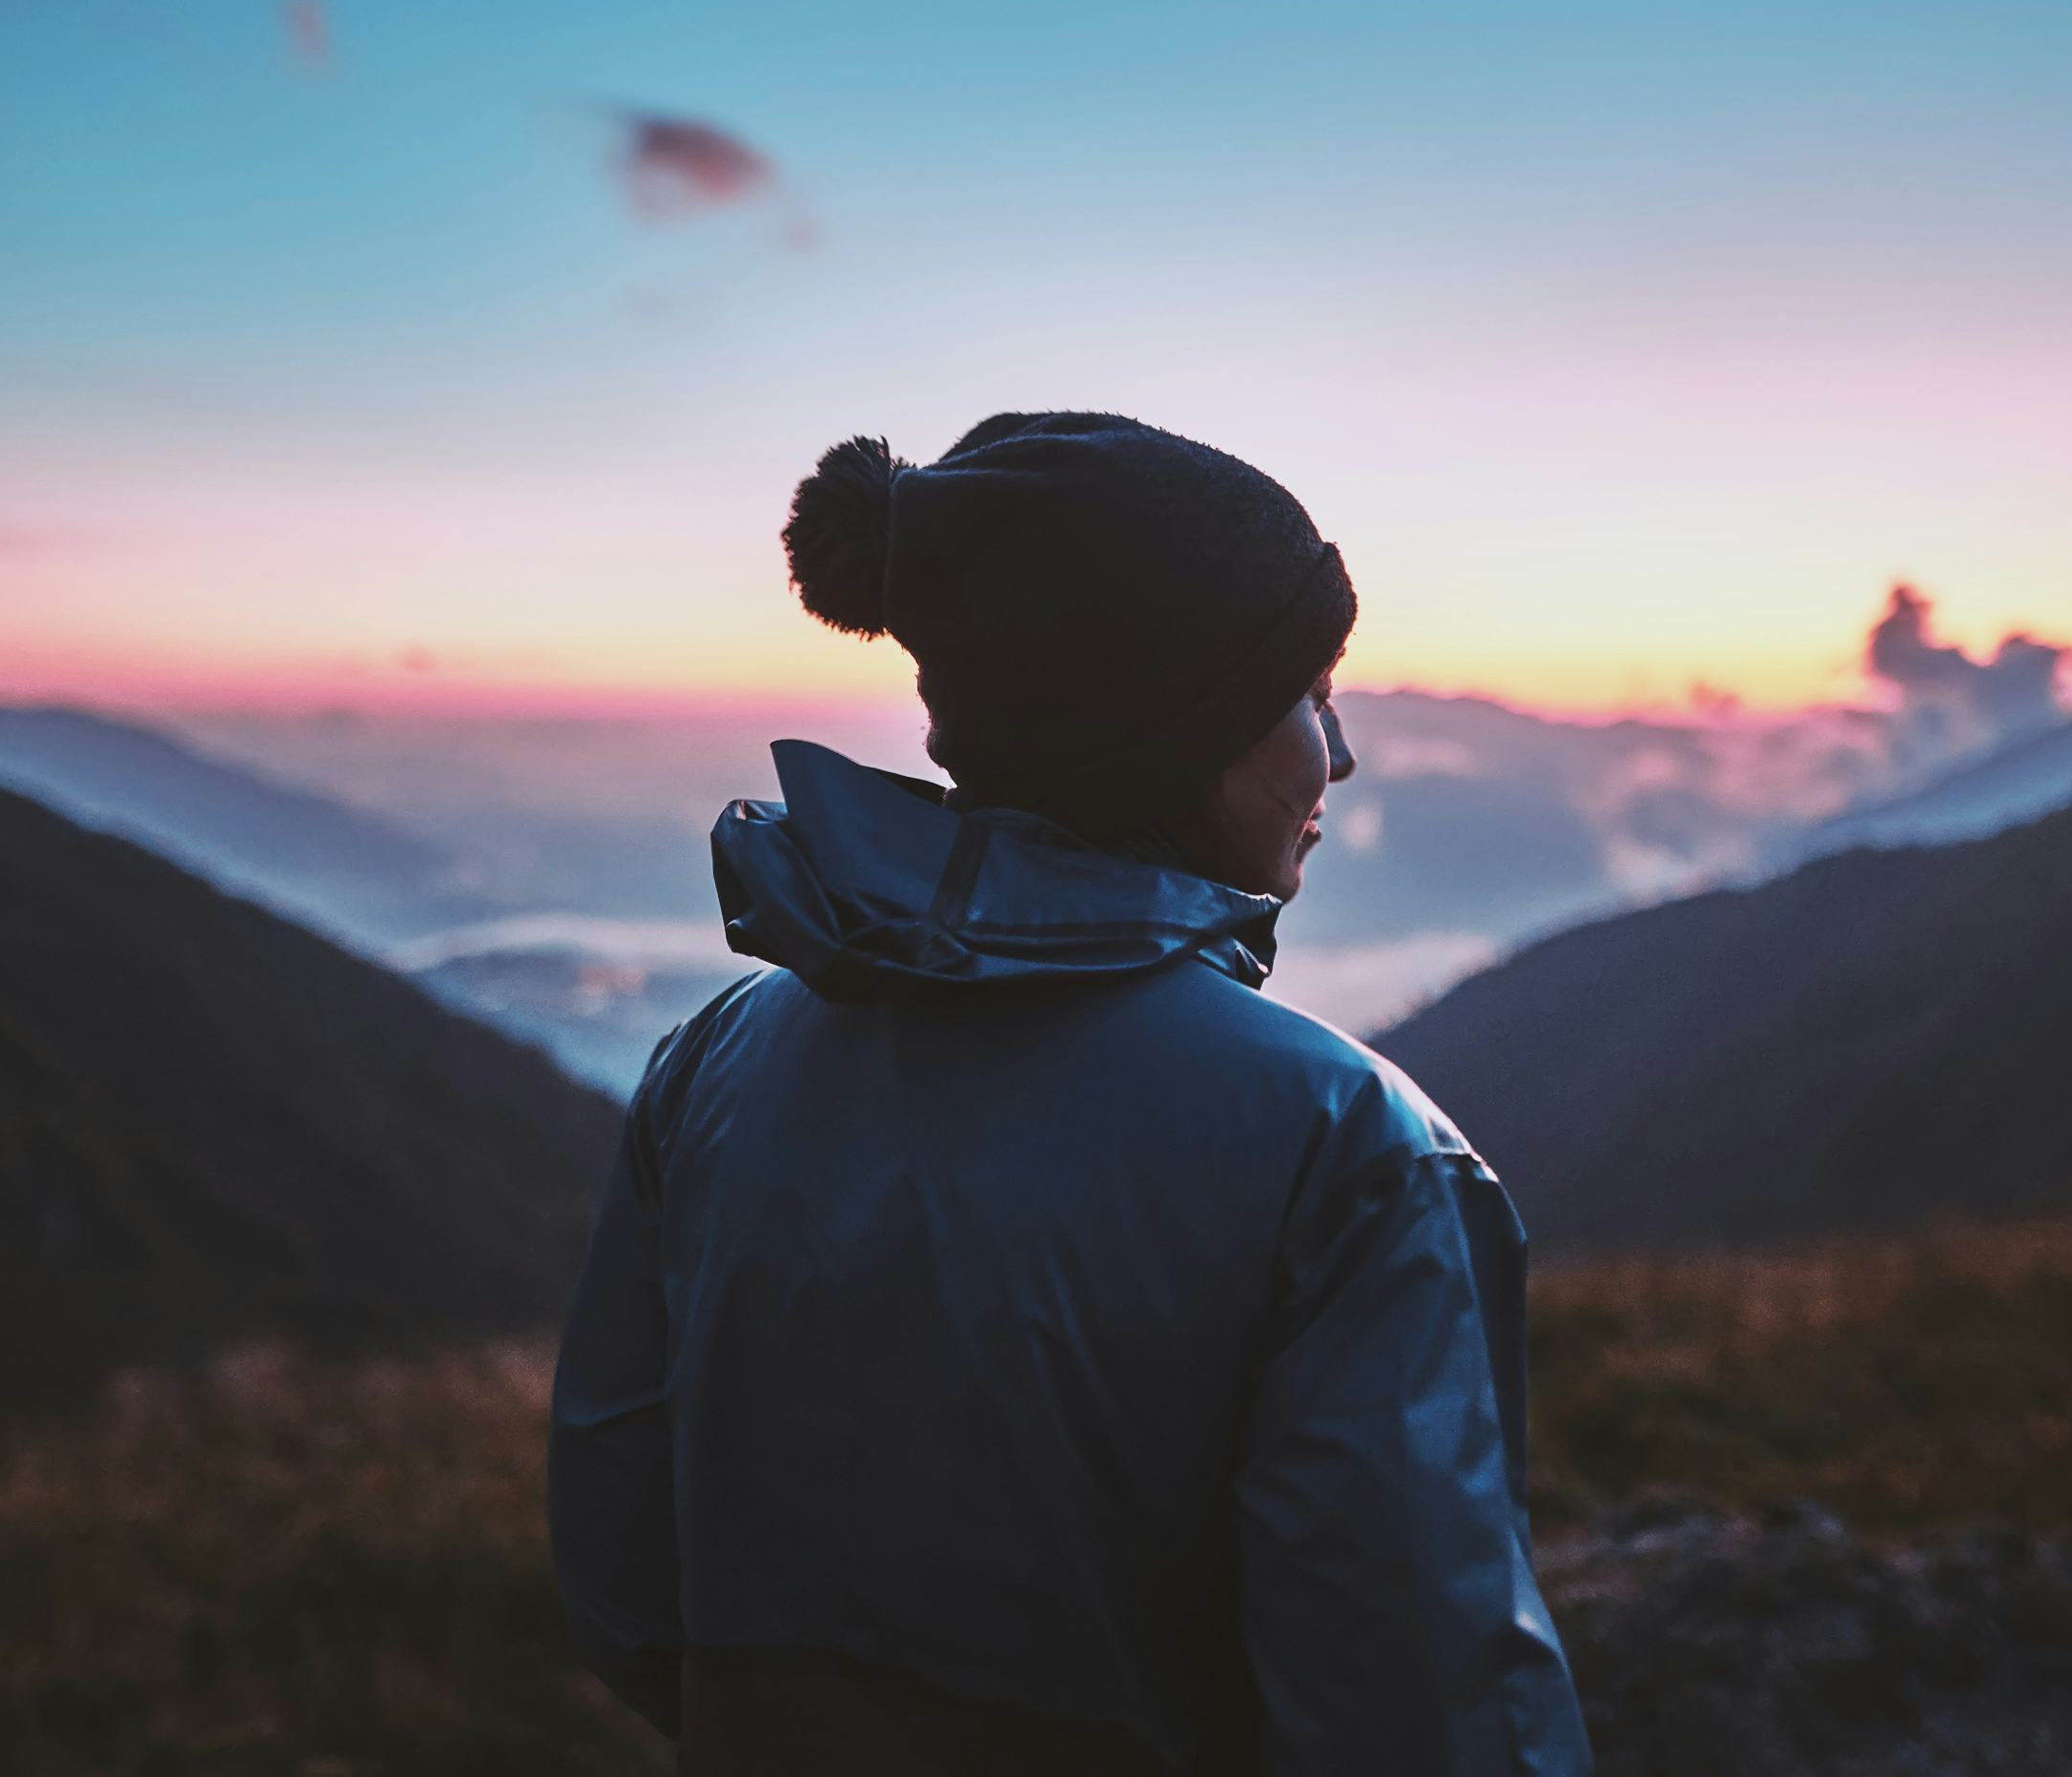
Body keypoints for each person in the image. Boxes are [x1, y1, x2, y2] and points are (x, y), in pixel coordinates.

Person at [548, 412, 1590, 1774]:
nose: (1338, 755)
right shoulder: (1347, 1147)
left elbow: (631, 1587)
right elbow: (1422, 1713)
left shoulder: (717, 1064)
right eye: (1308, 696)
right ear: (1177, 736)